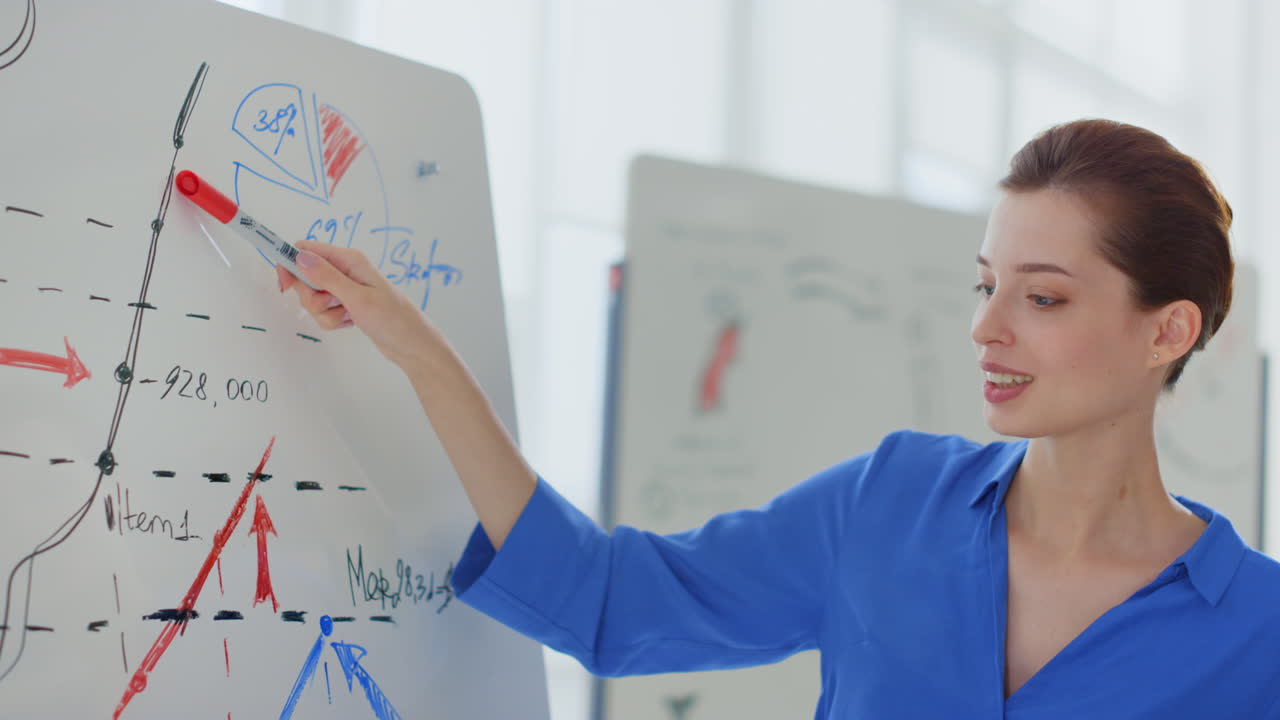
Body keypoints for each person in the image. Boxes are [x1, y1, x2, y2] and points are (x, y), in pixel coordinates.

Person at [278, 119, 1280, 718]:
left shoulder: (1258, 633)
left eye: (1042, 297)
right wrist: (420, 353)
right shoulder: (886, 506)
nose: (984, 327)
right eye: (983, 285)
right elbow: (611, 603)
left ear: (1165, 333)